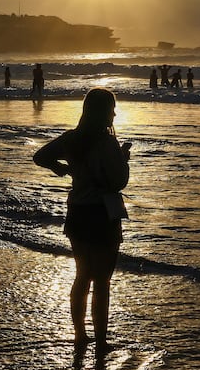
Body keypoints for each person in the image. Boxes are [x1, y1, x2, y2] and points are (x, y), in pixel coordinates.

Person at [33, 88, 130, 350]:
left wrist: (62, 168)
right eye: (111, 108)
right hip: (102, 214)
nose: (114, 113)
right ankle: (100, 340)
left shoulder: (71, 139)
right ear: (102, 112)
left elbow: (40, 156)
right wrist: (124, 158)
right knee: (102, 282)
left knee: (82, 276)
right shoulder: (108, 143)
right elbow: (119, 181)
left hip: (77, 212)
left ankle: (80, 335)